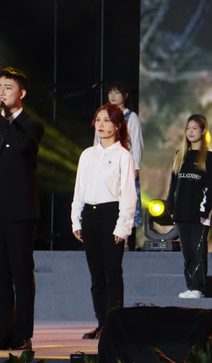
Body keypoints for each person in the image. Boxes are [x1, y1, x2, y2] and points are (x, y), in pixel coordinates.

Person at [0, 67, 44, 351]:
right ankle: (4, 334)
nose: (1, 92)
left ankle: (23, 334)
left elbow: (19, 146)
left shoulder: (31, 125)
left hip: (20, 213)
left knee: (21, 273)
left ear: (22, 93)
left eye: (8, 88)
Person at [72, 103, 137, 340]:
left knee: (112, 273)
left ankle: (112, 325)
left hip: (111, 215)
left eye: (107, 120)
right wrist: (76, 220)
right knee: (96, 275)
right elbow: (79, 190)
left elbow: (129, 194)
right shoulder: (87, 154)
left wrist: (123, 226)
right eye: (98, 119)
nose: (101, 124)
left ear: (118, 125)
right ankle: (101, 323)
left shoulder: (123, 156)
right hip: (90, 216)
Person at [166, 114, 212, 300]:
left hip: (199, 213)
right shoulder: (179, 155)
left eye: (195, 128)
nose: (190, 132)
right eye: (188, 128)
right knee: (187, 252)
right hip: (181, 212)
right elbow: (173, 184)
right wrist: (171, 207)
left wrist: (205, 210)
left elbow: (210, 186)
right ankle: (190, 286)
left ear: (203, 131)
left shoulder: (209, 156)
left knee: (198, 251)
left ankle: (199, 288)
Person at [94, 83, 143, 251]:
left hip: (124, 163)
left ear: (125, 95)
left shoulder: (131, 116)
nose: (113, 96)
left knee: (126, 198)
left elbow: (136, 142)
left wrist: (136, 165)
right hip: (105, 164)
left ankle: (126, 239)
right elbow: (97, 140)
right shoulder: (103, 115)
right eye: (110, 92)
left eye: (117, 92)